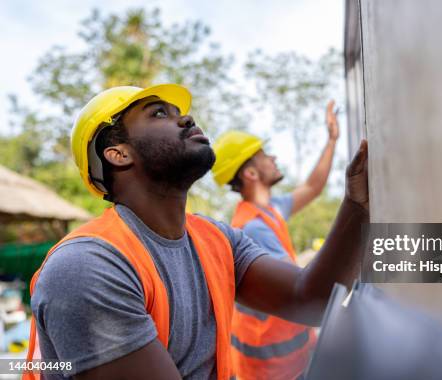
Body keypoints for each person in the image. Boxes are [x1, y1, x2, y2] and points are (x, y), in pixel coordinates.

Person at [24, 84, 368, 380]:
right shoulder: (89, 266)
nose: (187, 118)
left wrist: (358, 205)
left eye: (179, 112)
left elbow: (310, 299)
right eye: (159, 113)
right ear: (118, 154)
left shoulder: (216, 239)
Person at [211, 101, 340, 380]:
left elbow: (313, 187)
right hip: (272, 368)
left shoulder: (270, 210)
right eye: (264, 155)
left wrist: (331, 141)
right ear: (251, 174)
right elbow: (303, 291)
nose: (274, 158)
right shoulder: (254, 228)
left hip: (291, 357)